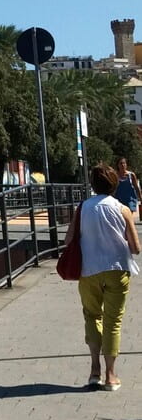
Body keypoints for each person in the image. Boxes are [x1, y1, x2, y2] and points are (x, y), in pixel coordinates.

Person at [64, 162, 140, 390]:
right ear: (115, 184)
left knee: (92, 316)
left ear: (93, 185)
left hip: (88, 271)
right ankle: (111, 375)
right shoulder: (122, 209)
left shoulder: (83, 208)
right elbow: (136, 248)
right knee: (113, 322)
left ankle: (94, 370)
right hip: (118, 270)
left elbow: (68, 241)